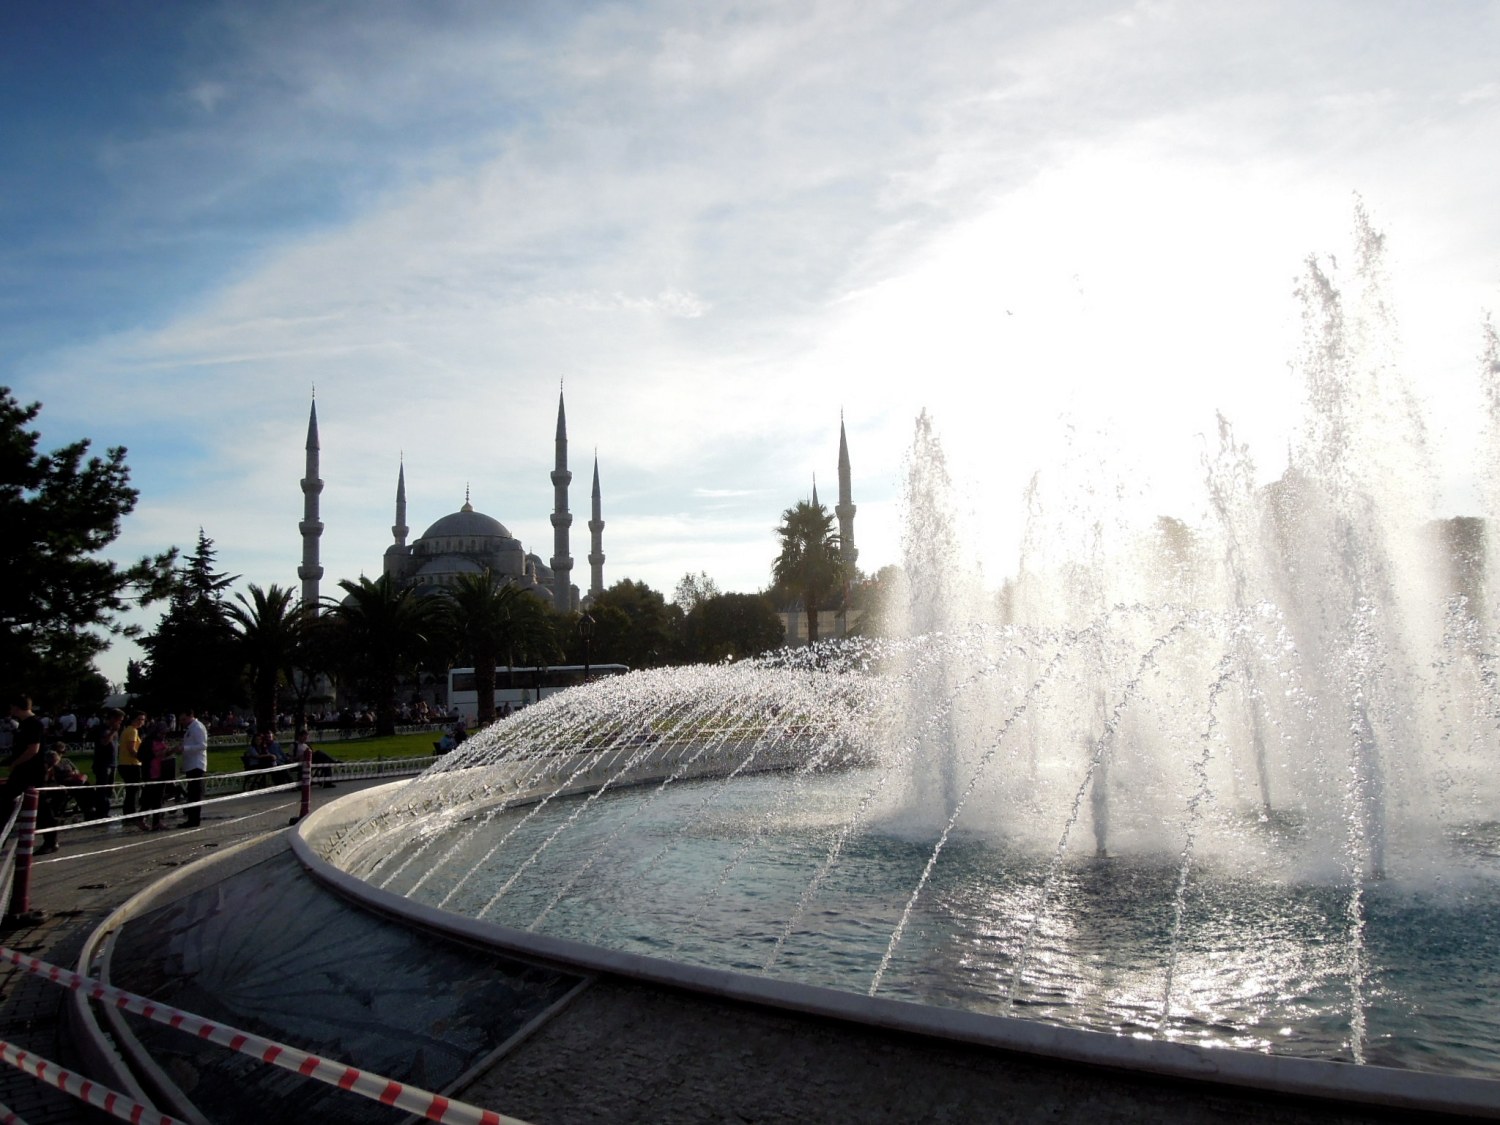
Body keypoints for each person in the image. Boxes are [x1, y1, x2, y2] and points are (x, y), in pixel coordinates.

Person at [4, 696, 49, 845]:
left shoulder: (34, 724)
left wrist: (15, 763)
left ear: (17, 707)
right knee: (6, 800)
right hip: (23, 769)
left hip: (31, 770)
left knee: (40, 805)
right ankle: (2, 836)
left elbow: (33, 749)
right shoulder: (24, 724)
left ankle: (51, 839)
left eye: (12, 707)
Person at [177, 708, 208, 828]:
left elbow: (203, 745)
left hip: (197, 765)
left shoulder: (198, 727)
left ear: (191, 716)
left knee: (195, 794)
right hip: (190, 765)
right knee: (191, 794)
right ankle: (192, 818)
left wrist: (185, 748)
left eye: (184, 719)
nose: (182, 722)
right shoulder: (190, 729)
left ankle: (194, 820)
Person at [118, 711, 145, 819]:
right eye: (139, 719)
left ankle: (129, 812)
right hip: (131, 764)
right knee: (133, 790)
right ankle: (131, 813)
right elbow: (131, 749)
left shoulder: (128, 730)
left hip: (126, 764)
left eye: (142, 719)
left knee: (131, 790)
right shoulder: (132, 731)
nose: (141, 722)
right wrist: (141, 758)